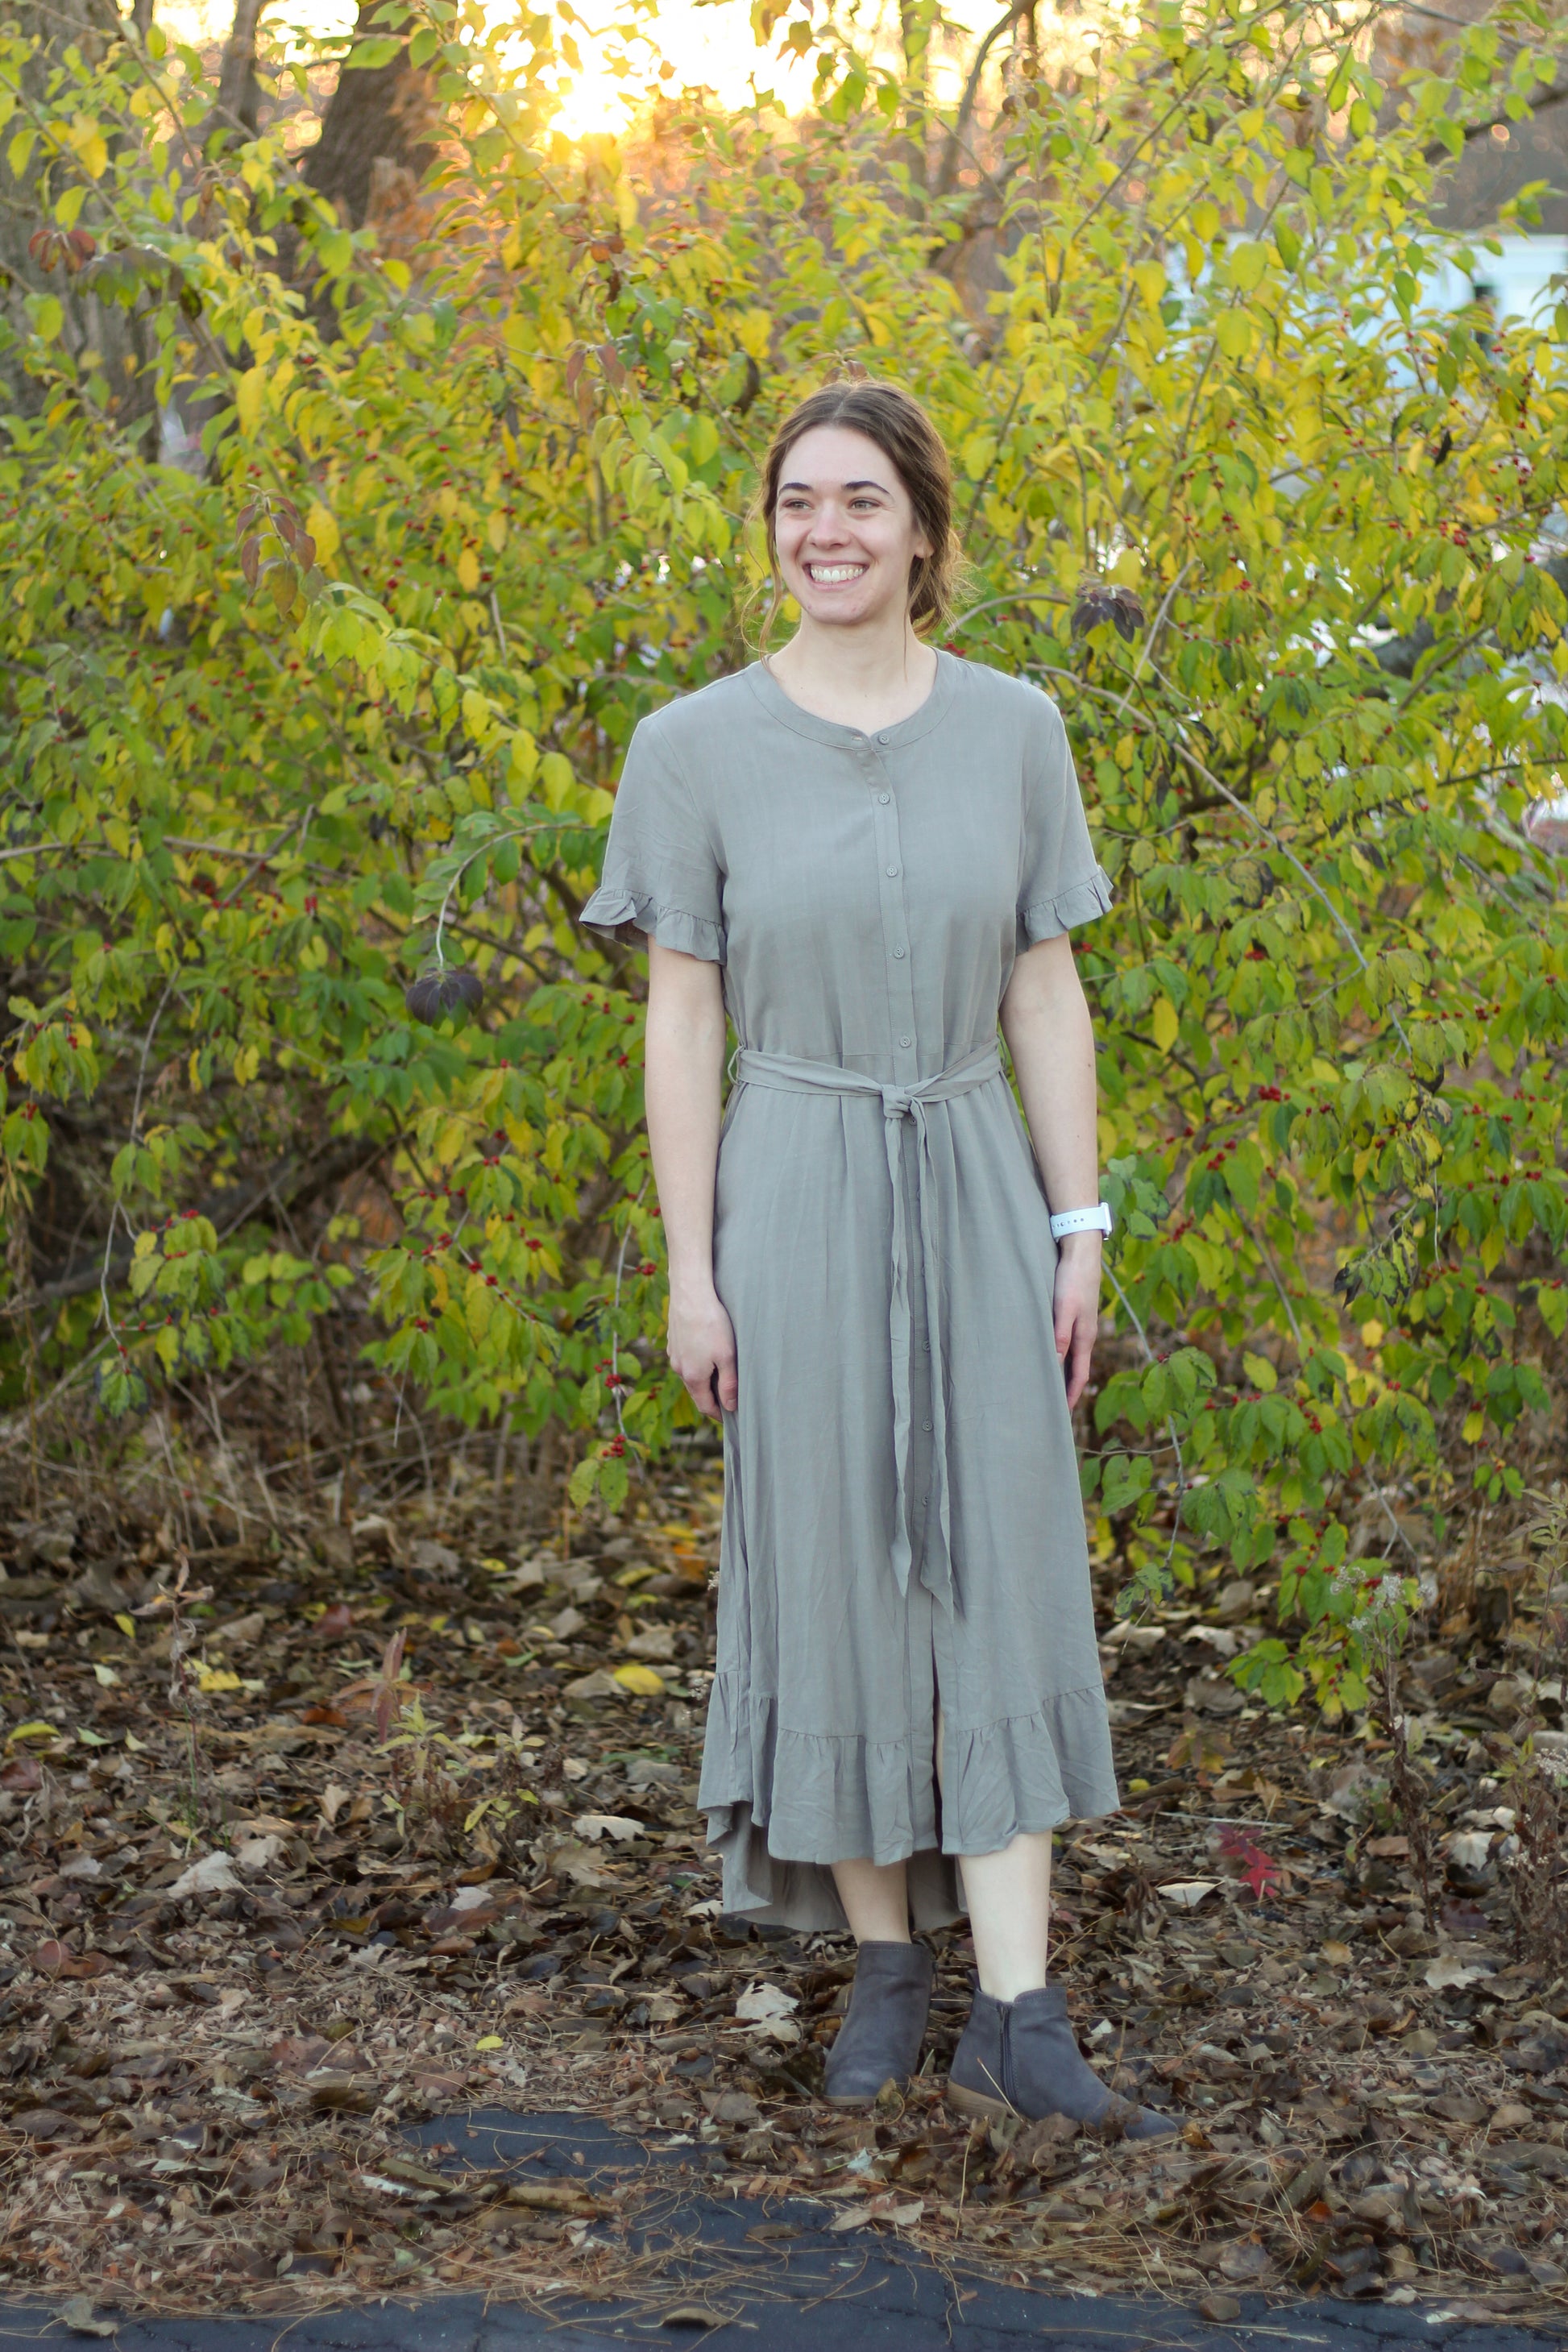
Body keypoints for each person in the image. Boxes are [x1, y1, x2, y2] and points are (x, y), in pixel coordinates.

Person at [583, 380, 1172, 2137]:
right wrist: (693, 1270)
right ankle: (888, 1966)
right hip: (795, 1183)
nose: (823, 531)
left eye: (858, 500)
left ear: (921, 529)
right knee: (831, 1559)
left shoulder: (1015, 729)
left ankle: (1022, 2015)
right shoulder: (691, 745)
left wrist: (1078, 1224)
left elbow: (1042, 987)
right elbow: (681, 1023)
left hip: (975, 1173)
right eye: (795, 502)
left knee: (1002, 1562)